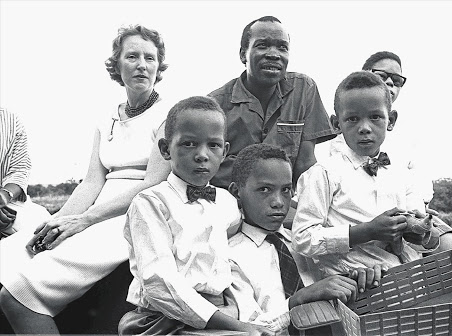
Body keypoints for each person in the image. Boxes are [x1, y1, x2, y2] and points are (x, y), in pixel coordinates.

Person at [0, 25, 174, 334]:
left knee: (18, 291)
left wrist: (85, 220)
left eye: (150, 57)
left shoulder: (169, 116)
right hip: (93, 214)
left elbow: (152, 184)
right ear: (117, 65)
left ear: (159, 65)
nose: (142, 64)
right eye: (131, 56)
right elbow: (92, 183)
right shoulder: (105, 117)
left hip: (133, 217)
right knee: (14, 252)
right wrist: (59, 219)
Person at [118, 96, 271, 336]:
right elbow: (160, 282)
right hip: (165, 318)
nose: (202, 155)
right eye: (189, 144)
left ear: (225, 151)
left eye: (213, 145)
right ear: (165, 149)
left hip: (222, 311)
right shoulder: (150, 203)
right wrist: (235, 325)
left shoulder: (227, 203)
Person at [292, 71, 443, 278]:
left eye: (375, 117)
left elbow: (417, 238)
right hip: (351, 279)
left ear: (391, 120)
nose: (364, 128)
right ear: (336, 124)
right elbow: (302, 238)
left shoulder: (402, 173)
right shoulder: (323, 174)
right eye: (352, 119)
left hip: (402, 275)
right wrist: (365, 232)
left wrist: (422, 231)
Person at [330, 51, 452, 272]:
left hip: (409, 217)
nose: (389, 82)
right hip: (363, 223)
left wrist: (414, 215)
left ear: (391, 120)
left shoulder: (406, 137)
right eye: (381, 75)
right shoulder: (345, 139)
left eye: (396, 80)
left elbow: (420, 184)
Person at [227, 143, 385, 335]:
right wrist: (299, 299)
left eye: (285, 190)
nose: (278, 202)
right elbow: (248, 329)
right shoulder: (230, 257)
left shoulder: (307, 243)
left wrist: (355, 280)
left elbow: (328, 288)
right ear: (237, 192)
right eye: (264, 189)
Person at [208, 16, 336, 190]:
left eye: (282, 47)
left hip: (283, 202)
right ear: (242, 54)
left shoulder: (303, 89)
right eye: (262, 45)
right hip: (230, 200)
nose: (274, 54)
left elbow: (305, 163)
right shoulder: (215, 105)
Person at [0, 108, 51, 238]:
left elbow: (19, 170)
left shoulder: (10, 120)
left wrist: (4, 197)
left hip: (4, 201)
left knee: (42, 224)